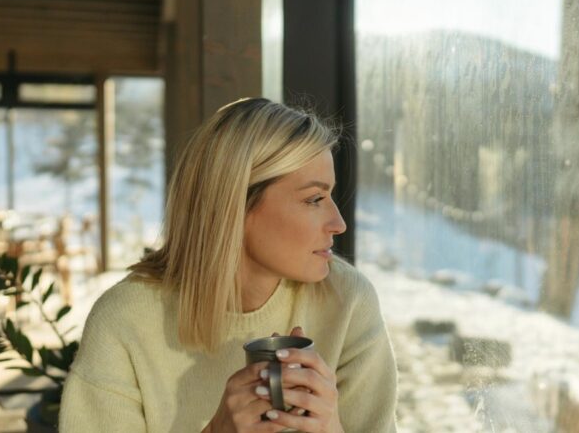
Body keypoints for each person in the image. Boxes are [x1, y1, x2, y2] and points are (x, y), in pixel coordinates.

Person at [59, 98, 397, 432]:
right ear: (235, 206)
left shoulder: (347, 301)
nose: (338, 224)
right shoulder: (125, 321)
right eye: (314, 199)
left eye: (330, 196)